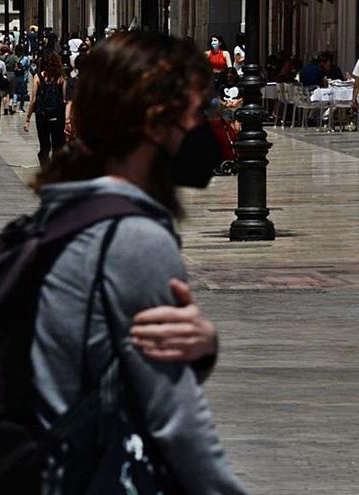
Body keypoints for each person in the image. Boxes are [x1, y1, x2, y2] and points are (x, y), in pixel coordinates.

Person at [32, 32, 247, 494]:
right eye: (195, 114)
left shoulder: (65, 211)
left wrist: (200, 348)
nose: (205, 129)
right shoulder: (134, 238)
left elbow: (110, 364)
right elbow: (175, 416)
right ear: (155, 122)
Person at [24, 50, 67, 164]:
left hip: (42, 116)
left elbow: (33, 101)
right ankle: (56, 171)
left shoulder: (38, 77)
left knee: (44, 146)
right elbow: (65, 99)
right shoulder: (61, 78)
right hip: (58, 116)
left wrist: (28, 118)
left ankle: (45, 168)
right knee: (58, 146)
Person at [219, 67, 243, 132]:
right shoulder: (222, 86)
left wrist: (237, 101)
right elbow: (218, 97)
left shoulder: (239, 86)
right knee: (229, 128)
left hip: (237, 109)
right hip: (226, 109)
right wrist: (223, 103)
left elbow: (243, 96)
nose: (229, 76)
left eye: (231, 74)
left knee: (237, 128)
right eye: (228, 74)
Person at [12, 45, 30, 113]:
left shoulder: (14, 58)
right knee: (22, 93)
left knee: (15, 91)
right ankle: (21, 108)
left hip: (15, 77)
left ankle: (14, 103)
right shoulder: (25, 58)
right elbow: (28, 67)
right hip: (23, 78)